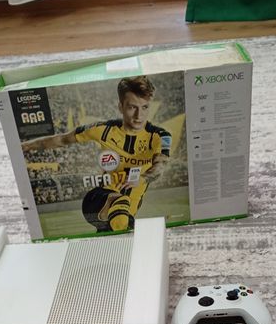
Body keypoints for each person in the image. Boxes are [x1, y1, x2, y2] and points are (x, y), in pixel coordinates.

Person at [22, 76, 171, 233]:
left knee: (117, 231)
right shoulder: (103, 130)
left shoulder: (160, 136)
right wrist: (26, 146)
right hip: (101, 199)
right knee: (120, 207)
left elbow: (161, 165)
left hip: (129, 209)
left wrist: (142, 178)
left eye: (145, 107)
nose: (139, 116)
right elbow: (62, 139)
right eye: (132, 107)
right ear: (121, 107)